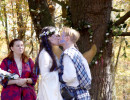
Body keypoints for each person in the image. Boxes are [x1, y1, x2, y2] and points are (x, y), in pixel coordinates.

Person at [58, 27, 92, 100]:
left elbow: (70, 76)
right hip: (83, 94)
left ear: (67, 38)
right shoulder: (77, 54)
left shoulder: (67, 54)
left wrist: (59, 77)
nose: (59, 38)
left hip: (74, 95)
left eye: (61, 36)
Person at [34, 26, 63, 100]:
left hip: (53, 90)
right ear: (49, 38)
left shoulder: (51, 53)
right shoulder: (44, 54)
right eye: (57, 35)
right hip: (48, 92)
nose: (59, 38)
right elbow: (45, 76)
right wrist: (58, 71)